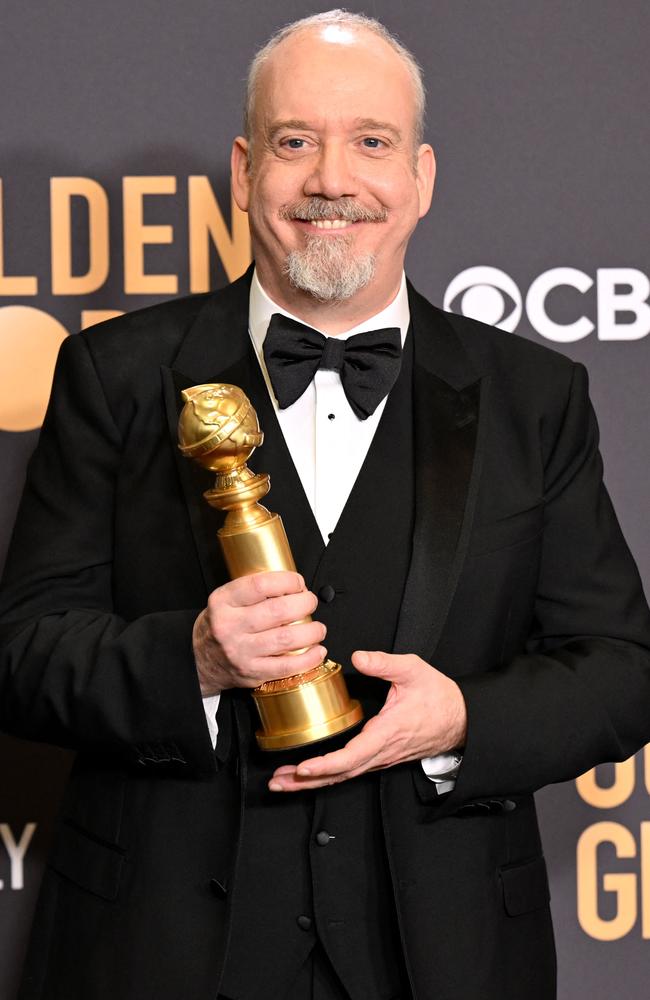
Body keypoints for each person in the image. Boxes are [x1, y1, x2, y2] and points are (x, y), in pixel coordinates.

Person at [1, 10, 649, 1000]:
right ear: (242, 168)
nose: (329, 180)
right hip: (160, 951)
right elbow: (24, 651)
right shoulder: (113, 373)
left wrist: (461, 718)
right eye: (293, 142)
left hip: (444, 954)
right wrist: (195, 661)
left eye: (370, 143)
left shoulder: (533, 398)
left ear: (421, 178)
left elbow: (618, 671)